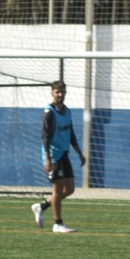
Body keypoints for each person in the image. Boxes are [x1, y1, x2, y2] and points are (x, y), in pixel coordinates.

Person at [30, 79, 86, 235]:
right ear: (52, 93)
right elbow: (45, 136)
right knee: (58, 188)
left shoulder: (67, 111)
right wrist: (47, 158)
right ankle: (58, 223)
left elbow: (71, 133)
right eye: (57, 92)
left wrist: (79, 153)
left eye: (62, 92)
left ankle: (41, 207)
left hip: (64, 153)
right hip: (54, 155)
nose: (60, 94)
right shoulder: (49, 113)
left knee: (70, 189)